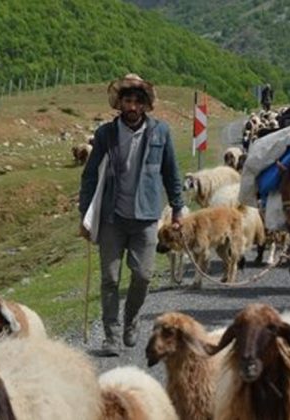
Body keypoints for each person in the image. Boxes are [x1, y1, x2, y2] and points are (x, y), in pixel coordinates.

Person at [78, 73, 184, 356]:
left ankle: (132, 320)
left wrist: (178, 208)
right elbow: (89, 177)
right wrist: (84, 216)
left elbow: (171, 172)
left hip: (147, 217)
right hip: (112, 216)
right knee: (110, 279)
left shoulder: (161, 132)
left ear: (146, 104)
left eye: (138, 101)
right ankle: (111, 336)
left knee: (143, 275)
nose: (133, 106)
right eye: (128, 100)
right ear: (120, 104)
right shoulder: (105, 134)